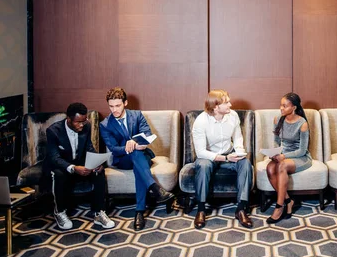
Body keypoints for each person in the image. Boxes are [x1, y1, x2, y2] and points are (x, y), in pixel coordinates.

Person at [99, 87, 174, 231]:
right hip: (122, 159)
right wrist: (129, 146)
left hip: (142, 155)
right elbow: (113, 148)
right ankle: (155, 190)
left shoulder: (137, 115)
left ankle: (139, 211)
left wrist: (136, 142)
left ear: (125, 103)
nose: (114, 109)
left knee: (138, 162)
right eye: (111, 106)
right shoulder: (105, 124)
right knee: (135, 155)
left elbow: (147, 133)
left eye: (118, 105)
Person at [44, 102, 115, 230]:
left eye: (84, 120)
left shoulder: (86, 126)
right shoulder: (53, 131)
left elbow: (89, 148)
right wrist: (73, 168)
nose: (82, 125)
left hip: (79, 162)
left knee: (99, 171)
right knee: (59, 174)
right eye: (78, 122)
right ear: (69, 119)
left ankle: (99, 213)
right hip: (61, 165)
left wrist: (96, 163)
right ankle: (59, 212)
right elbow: (54, 158)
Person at [192, 90, 253, 229]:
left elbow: (237, 137)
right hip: (208, 156)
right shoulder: (201, 121)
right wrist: (224, 158)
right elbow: (200, 152)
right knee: (202, 166)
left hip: (228, 153)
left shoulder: (233, 116)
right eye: (226, 102)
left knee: (246, 163)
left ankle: (241, 208)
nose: (230, 104)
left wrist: (239, 152)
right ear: (215, 106)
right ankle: (201, 209)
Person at [265, 92, 312, 224]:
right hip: (282, 154)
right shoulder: (278, 119)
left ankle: (279, 207)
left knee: (282, 165)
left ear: (294, 107)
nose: (281, 108)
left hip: (300, 157)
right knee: (269, 168)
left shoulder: (302, 124)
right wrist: (274, 152)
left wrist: (284, 156)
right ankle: (288, 201)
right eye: (281, 105)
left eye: (285, 106)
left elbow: (302, 150)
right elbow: (276, 141)